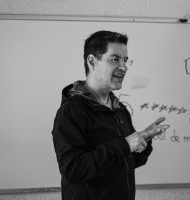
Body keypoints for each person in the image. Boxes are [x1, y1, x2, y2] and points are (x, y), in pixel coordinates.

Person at [51, 30, 169, 200]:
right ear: (92, 61)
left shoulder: (119, 108)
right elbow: (73, 170)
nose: (123, 67)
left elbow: (126, 162)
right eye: (115, 59)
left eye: (125, 60)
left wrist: (144, 141)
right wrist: (124, 145)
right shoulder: (72, 111)